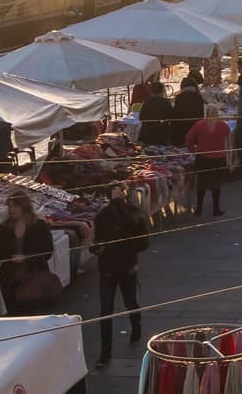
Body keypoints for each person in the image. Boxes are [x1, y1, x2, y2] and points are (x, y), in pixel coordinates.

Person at [91, 181, 149, 368]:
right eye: (114, 191)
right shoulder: (102, 215)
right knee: (105, 311)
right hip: (108, 268)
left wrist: (127, 250)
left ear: (125, 193)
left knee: (130, 302)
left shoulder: (133, 213)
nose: (117, 194)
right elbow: (97, 240)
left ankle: (136, 325)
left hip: (126, 266)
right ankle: (105, 352)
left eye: (120, 190)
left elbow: (143, 241)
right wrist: (98, 248)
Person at [0, 192, 56, 315]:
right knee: (15, 315)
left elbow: (48, 251)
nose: (12, 210)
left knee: (34, 315)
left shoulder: (39, 226)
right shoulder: (4, 228)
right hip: (10, 279)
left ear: (24, 207)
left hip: (34, 277)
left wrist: (27, 257)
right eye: (10, 207)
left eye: (15, 206)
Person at [185, 105, 232, 217]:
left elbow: (188, 138)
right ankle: (216, 209)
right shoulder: (224, 126)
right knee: (216, 184)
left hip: (203, 158)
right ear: (217, 114)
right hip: (218, 158)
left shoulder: (199, 125)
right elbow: (229, 143)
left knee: (201, 183)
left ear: (206, 113)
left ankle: (199, 209)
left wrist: (193, 150)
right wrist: (229, 158)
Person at [137, 82, 177, 147]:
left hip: (146, 134)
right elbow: (172, 117)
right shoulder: (165, 102)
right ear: (162, 91)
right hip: (161, 134)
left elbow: (141, 117)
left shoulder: (146, 102)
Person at [171, 78, 204, 147]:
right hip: (194, 130)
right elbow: (201, 116)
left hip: (181, 132)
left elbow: (175, 115)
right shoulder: (198, 97)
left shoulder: (179, 98)